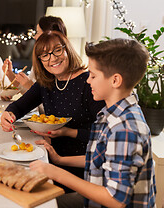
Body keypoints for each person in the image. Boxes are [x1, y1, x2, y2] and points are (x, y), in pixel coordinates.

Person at [30, 38, 156, 207]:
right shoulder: (112, 113)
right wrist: (59, 160)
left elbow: (115, 200)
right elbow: (101, 160)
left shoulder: (124, 129)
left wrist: (56, 173)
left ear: (115, 81)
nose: (88, 80)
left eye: (93, 75)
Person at [1, 31, 105, 193]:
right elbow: (20, 106)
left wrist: (67, 132)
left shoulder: (89, 83)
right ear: (40, 61)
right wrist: (9, 114)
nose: (52, 58)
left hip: (81, 165)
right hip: (51, 157)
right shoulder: (47, 82)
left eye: (57, 50)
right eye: (44, 55)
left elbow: (102, 135)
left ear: (67, 49)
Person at [3, 16, 67, 92]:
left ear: (48, 34)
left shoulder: (59, 64)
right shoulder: (41, 59)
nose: (35, 37)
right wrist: (10, 74)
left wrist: (30, 85)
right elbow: (28, 92)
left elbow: (52, 100)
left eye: (37, 32)